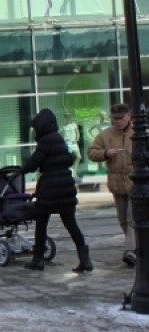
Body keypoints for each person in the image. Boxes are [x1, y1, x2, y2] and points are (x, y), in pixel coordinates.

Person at [20, 108, 92, 273]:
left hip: (50, 189)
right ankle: (85, 259)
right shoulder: (58, 138)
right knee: (71, 224)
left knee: (41, 222)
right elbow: (68, 158)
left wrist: (21, 171)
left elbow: (34, 162)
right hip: (65, 187)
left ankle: (38, 259)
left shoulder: (45, 141)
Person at [87, 103, 135, 266]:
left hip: (136, 184)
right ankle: (136, 247)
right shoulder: (106, 135)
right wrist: (106, 153)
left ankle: (129, 250)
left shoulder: (139, 133)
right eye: (114, 119)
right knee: (122, 219)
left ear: (128, 116)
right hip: (116, 184)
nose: (117, 122)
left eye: (120, 118)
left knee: (131, 218)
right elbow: (92, 152)